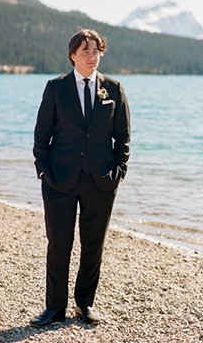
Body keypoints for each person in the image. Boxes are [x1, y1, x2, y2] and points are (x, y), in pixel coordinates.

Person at [31, 28, 130, 327]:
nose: (92, 56)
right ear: (73, 55)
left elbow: (122, 138)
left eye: (96, 50)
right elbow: (42, 134)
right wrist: (43, 170)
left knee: (93, 245)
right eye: (85, 51)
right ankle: (54, 309)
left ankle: (85, 304)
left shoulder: (113, 89)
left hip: (101, 181)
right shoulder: (56, 87)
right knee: (59, 243)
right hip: (59, 180)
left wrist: (118, 172)